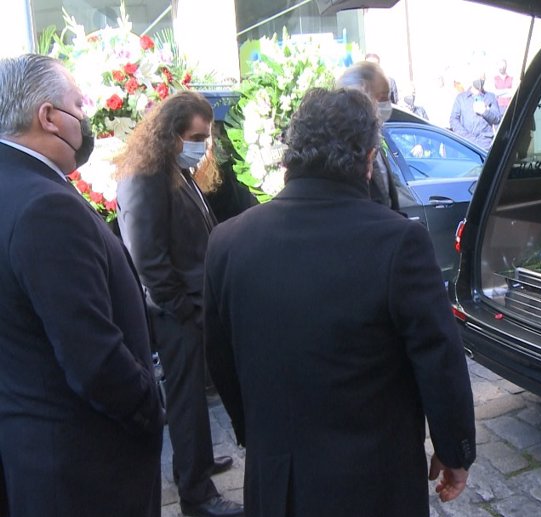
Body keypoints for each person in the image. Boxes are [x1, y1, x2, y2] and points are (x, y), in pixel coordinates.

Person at [204, 87, 476, 517]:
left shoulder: (228, 242)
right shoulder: (399, 242)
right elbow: (439, 357)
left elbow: (220, 361)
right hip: (374, 483)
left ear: (289, 154)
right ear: (368, 159)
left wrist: (256, 434)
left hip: (279, 481)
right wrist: (454, 448)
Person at [0, 53, 164, 516]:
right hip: (84, 468)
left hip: (38, 453)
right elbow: (91, 356)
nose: (86, 116)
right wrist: (149, 408)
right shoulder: (43, 206)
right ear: (49, 117)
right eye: (78, 104)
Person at [115, 91, 243, 517]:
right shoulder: (144, 176)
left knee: (198, 395)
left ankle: (200, 462)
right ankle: (196, 494)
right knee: (186, 401)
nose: (201, 146)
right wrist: (182, 309)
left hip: (194, 304)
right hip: (176, 312)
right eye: (196, 137)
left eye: (205, 137)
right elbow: (147, 258)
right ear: (171, 134)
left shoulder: (176, 171)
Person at [336, 61, 399, 210]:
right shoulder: (344, 147)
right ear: (363, 91)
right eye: (382, 96)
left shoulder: (374, 138)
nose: (386, 103)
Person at [450, 66, 501, 150]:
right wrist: (466, 136)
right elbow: (453, 120)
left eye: (483, 79)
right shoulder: (461, 98)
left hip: (486, 143)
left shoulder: (490, 97)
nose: (481, 81)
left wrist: (484, 112)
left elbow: (497, 119)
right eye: (478, 78)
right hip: (466, 143)